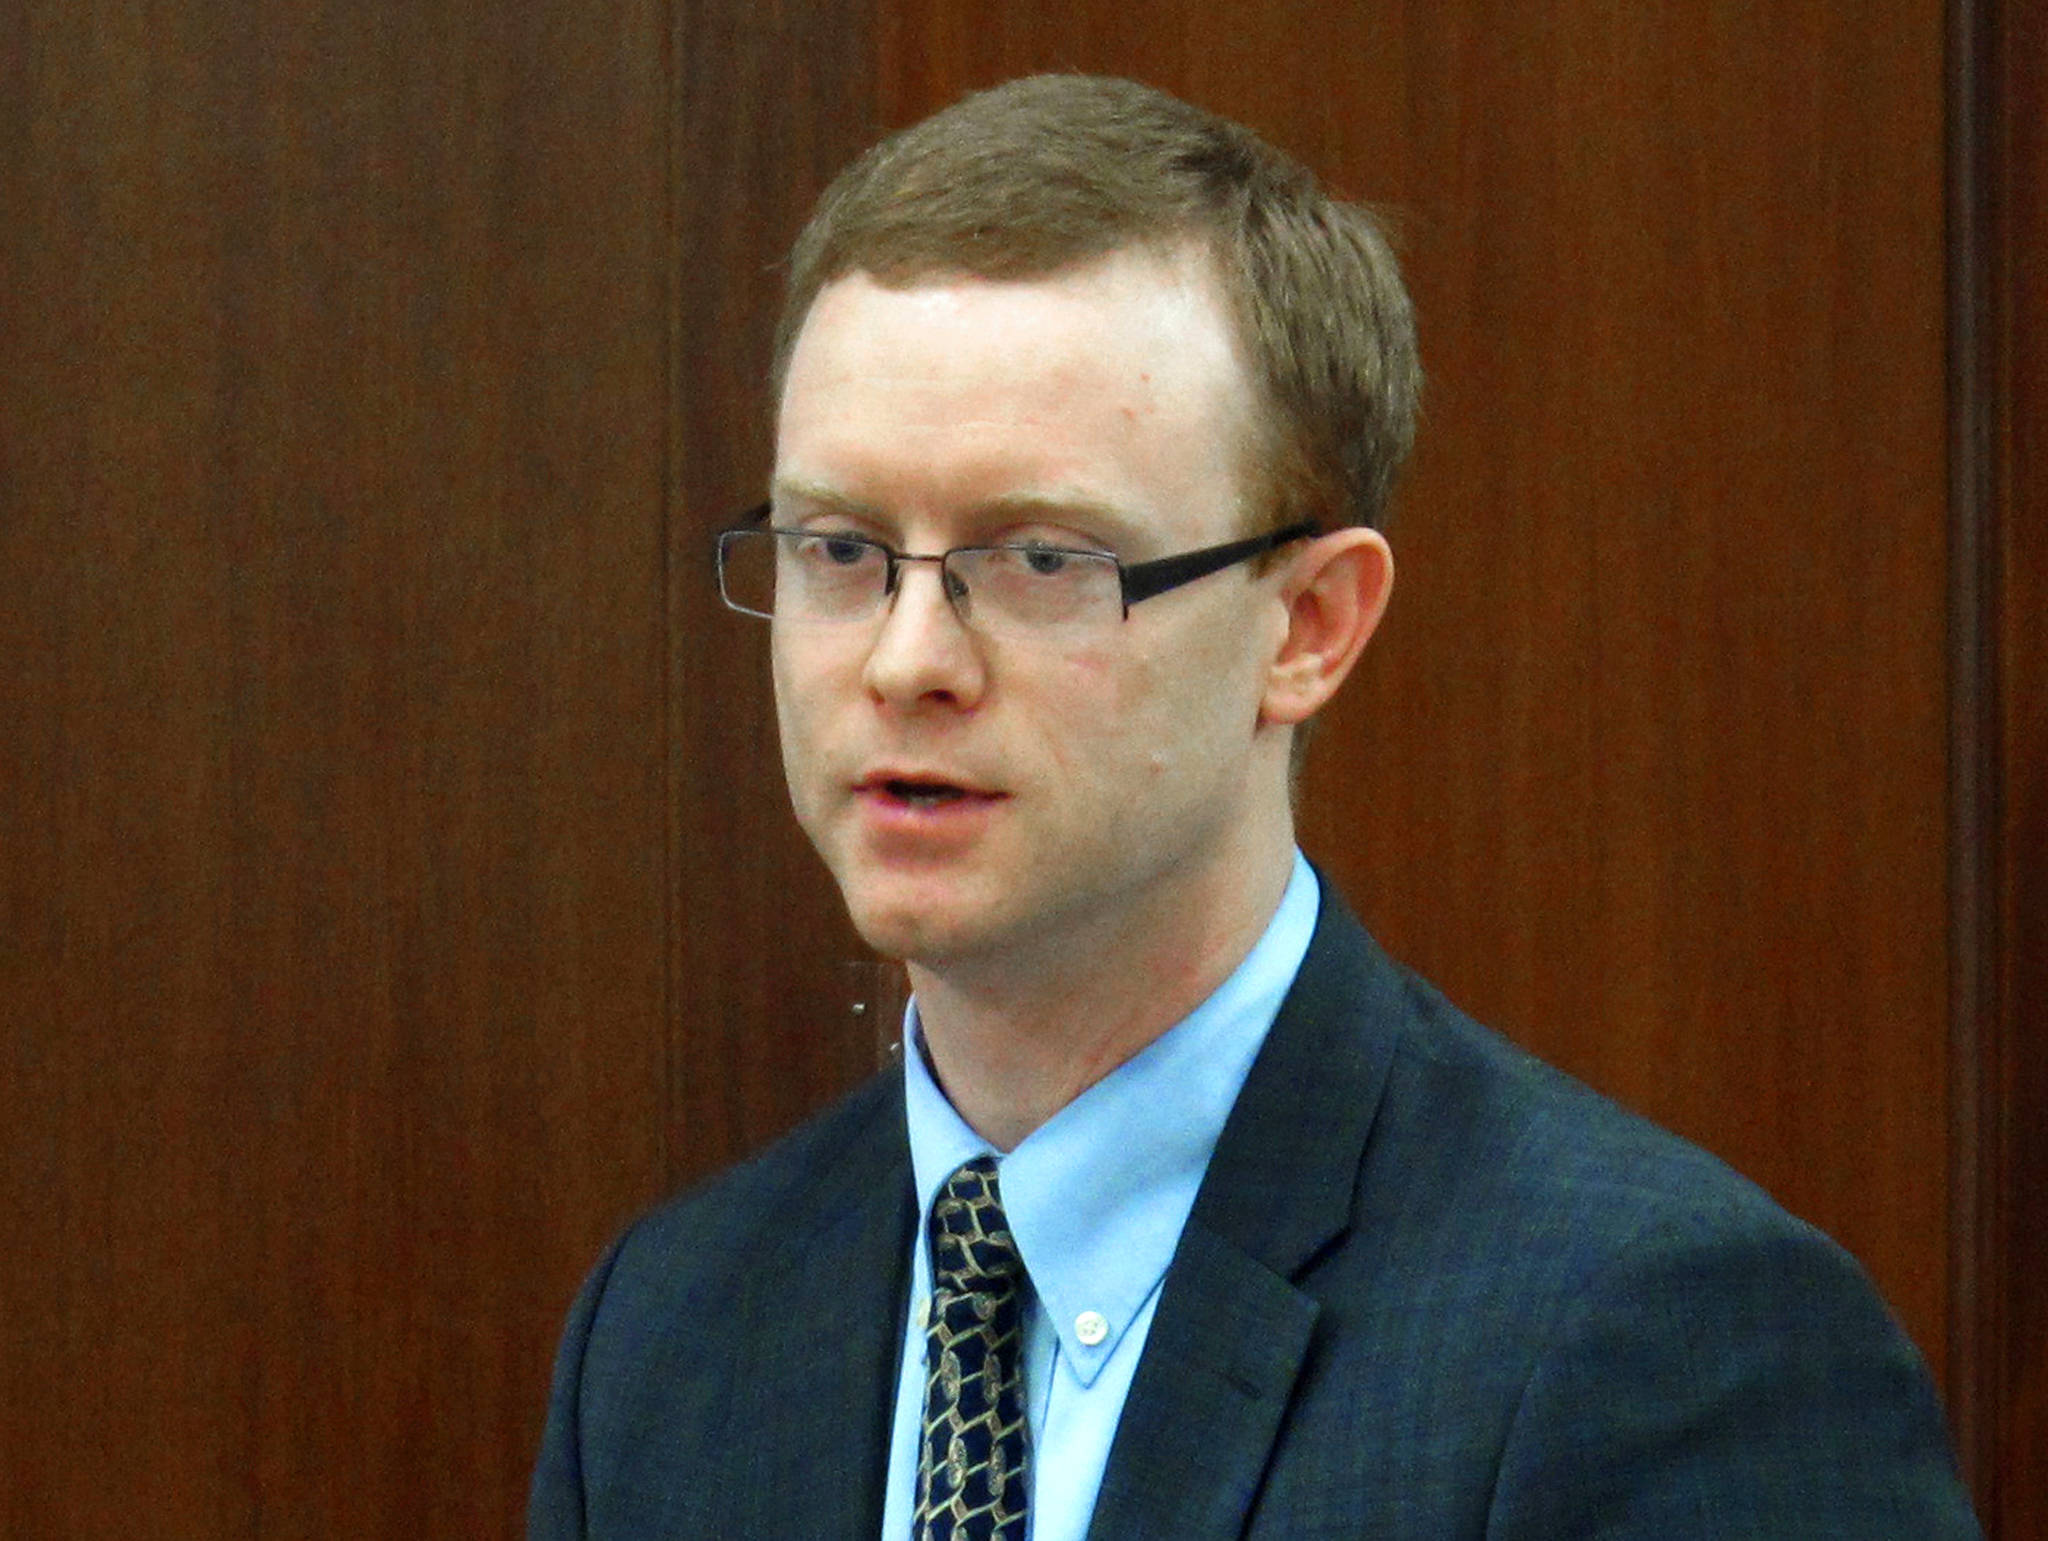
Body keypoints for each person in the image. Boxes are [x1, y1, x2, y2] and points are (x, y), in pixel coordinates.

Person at [529, 74, 1979, 1539]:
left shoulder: (1657, 1345)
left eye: (1041, 560)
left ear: (1310, 628)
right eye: (839, 548)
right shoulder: (668, 1337)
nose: (907, 660)